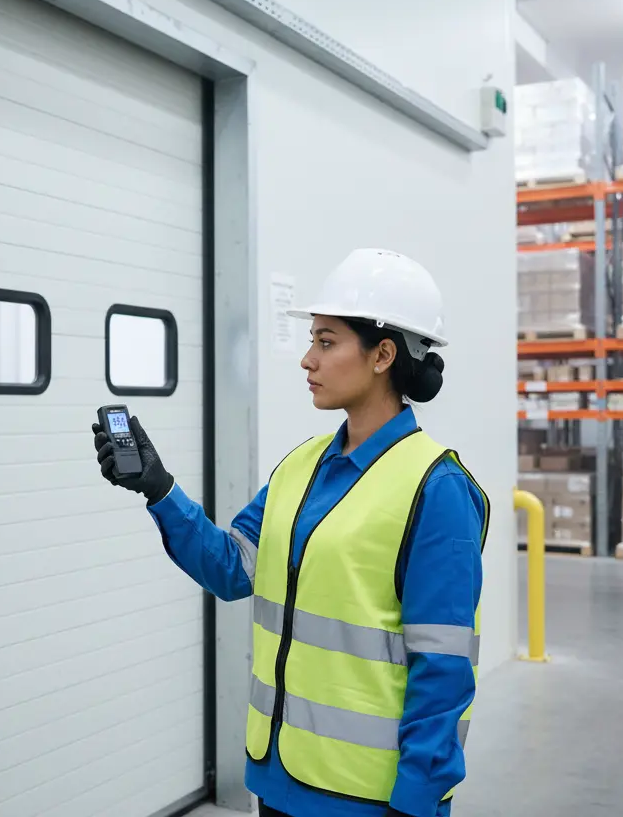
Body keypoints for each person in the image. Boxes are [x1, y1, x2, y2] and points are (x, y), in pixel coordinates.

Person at [92, 248, 490, 817]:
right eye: (312, 341)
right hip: (278, 778)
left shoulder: (437, 488)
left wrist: (419, 802)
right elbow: (233, 570)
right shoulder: (300, 467)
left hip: (366, 799)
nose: (308, 359)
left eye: (326, 342)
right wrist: (158, 488)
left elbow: (444, 666)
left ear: (382, 355)